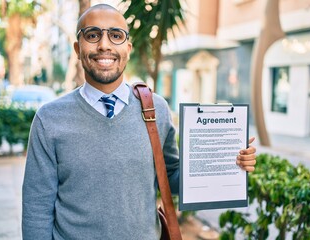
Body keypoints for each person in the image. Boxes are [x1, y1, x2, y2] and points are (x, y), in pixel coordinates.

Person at [22, 3, 257, 240]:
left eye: (116, 36)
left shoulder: (157, 109)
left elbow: (172, 177)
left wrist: (228, 160)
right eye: (92, 35)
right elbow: (36, 207)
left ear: (128, 48)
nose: (104, 45)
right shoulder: (49, 119)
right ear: (77, 47)